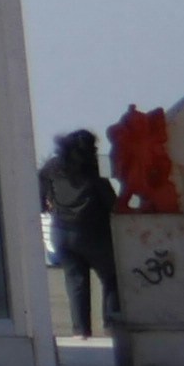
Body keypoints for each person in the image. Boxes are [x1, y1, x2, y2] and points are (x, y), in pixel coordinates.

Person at [43, 126, 121, 340]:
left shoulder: (53, 167)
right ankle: (111, 326)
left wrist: (49, 202)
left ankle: (80, 331)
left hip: (60, 232)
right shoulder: (92, 171)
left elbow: (39, 193)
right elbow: (111, 202)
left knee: (75, 281)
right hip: (93, 234)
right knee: (112, 277)